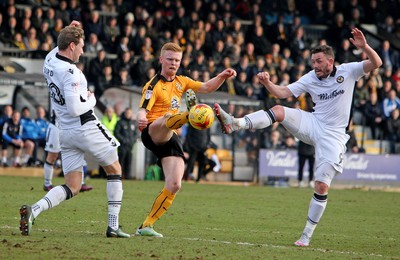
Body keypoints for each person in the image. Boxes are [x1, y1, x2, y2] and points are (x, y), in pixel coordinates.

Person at [214, 28, 382, 247]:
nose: (315, 65)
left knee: (321, 186)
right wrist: (266, 83)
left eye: (318, 61)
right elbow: (282, 92)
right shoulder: (311, 77)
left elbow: (376, 63)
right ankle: (236, 123)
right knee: (279, 110)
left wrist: (364, 47)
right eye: (312, 61)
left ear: (330, 61)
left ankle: (306, 235)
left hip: (334, 136)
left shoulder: (348, 71)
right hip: (314, 123)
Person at [19, 21, 129, 238]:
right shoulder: (71, 72)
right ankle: (113, 226)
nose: (83, 50)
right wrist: (92, 99)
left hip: (66, 133)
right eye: (80, 45)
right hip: (84, 127)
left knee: (73, 186)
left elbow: (57, 47)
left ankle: (35, 210)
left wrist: (69, 29)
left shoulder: (49, 60)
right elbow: (75, 107)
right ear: (71, 46)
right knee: (115, 169)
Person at [136, 42, 236, 237]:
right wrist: (140, 117)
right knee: (166, 119)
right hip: (152, 131)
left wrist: (222, 76)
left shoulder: (182, 82)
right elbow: (143, 108)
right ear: (161, 60)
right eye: (170, 59)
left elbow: (207, 87)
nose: (174, 63)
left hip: (170, 135)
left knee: (175, 184)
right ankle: (191, 115)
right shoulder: (153, 85)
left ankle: (146, 226)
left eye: (177, 60)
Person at [43, 109, 93, 192]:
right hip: (56, 127)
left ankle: (81, 183)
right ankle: (47, 183)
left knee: (78, 152)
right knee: (52, 156)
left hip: (71, 128)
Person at [114, 107, 138, 179]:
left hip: (130, 146)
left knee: (129, 161)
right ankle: (120, 175)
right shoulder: (120, 122)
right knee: (121, 161)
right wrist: (123, 140)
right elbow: (116, 133)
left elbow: (136, 134)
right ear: (125, 114)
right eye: (127, 113)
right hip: (122, 146)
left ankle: (128, 176)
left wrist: (133, 140)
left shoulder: (133, 123)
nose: (128, 114)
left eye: (130, 113)